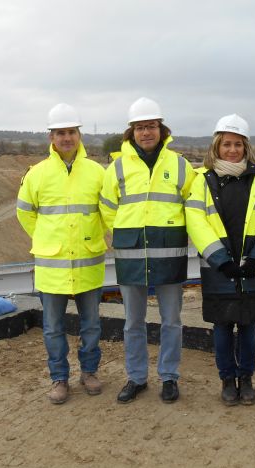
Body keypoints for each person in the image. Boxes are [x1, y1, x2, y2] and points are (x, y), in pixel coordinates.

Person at [100, 97, 195, 404]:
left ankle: (169, 377)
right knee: (133, 322)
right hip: (131, 256)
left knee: (171, 321)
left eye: (151, 126)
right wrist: (129, 233)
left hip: (169, 256)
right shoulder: (116, 168)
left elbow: (191, 208)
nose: (146, 132)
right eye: (140, 127)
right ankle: (136, 377)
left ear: (161, 128)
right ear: (132, 132)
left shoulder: (180, 166)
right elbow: (107, 209)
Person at [185, 114, 255, 406]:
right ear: (217, 146)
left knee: (249, 326)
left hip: (252, 265)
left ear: (245, 147)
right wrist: (220, 259)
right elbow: (196, 220)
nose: (232, 149)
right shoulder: (201, 180)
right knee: (223, 326)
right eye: (226, 144)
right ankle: (227, 378)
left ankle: (247, 378)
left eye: (237, 144)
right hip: (220, 268)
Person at [16, 103, 107, 405]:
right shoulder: (37, 175)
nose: (66, 137)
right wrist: (46, 240)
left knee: (91, 325)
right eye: (60, 132)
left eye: (71, 131)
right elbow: (25, 214)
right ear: (51, 136)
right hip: (52, 268)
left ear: (79, 135)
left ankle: (90, 372)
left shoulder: (96, 173)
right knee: (53, 328)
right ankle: (60, 378)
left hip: (88, 265)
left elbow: (106, 214)